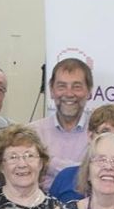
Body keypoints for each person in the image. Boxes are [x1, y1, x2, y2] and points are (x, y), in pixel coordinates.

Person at [32, 56, 93, 189]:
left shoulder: (99, 133)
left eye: (77, 87)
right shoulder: (33, 133)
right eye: (62, 86)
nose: (69, 94)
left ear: (89, 91)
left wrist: (48, 162)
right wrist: (83, 169)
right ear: (51, 91)